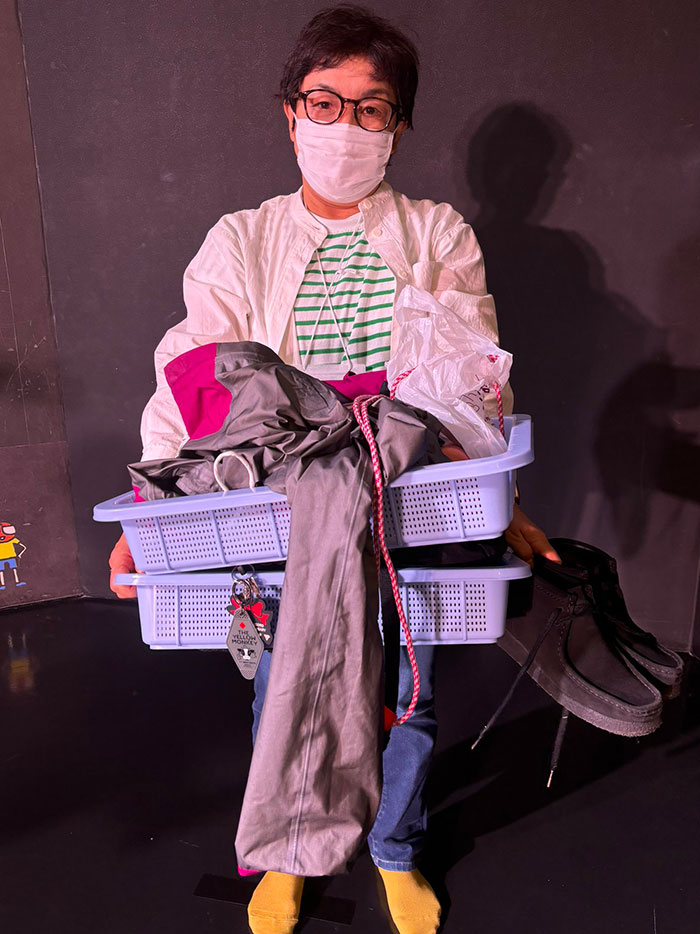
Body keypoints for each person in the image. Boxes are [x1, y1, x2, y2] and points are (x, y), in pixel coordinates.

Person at [110, 6, 559, 932]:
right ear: (290, 113)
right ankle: (288, 846)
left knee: (410, 683)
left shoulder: (437, 233)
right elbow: (192, 368)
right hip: (286, 496)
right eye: (326, 102)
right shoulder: (241, 239)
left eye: (371, 108)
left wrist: (495, 501)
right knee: (287, 673)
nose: (345, 126)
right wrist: (148, 512)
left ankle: (394, 848)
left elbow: (474, 376)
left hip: (408, 489)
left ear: (398, 125)